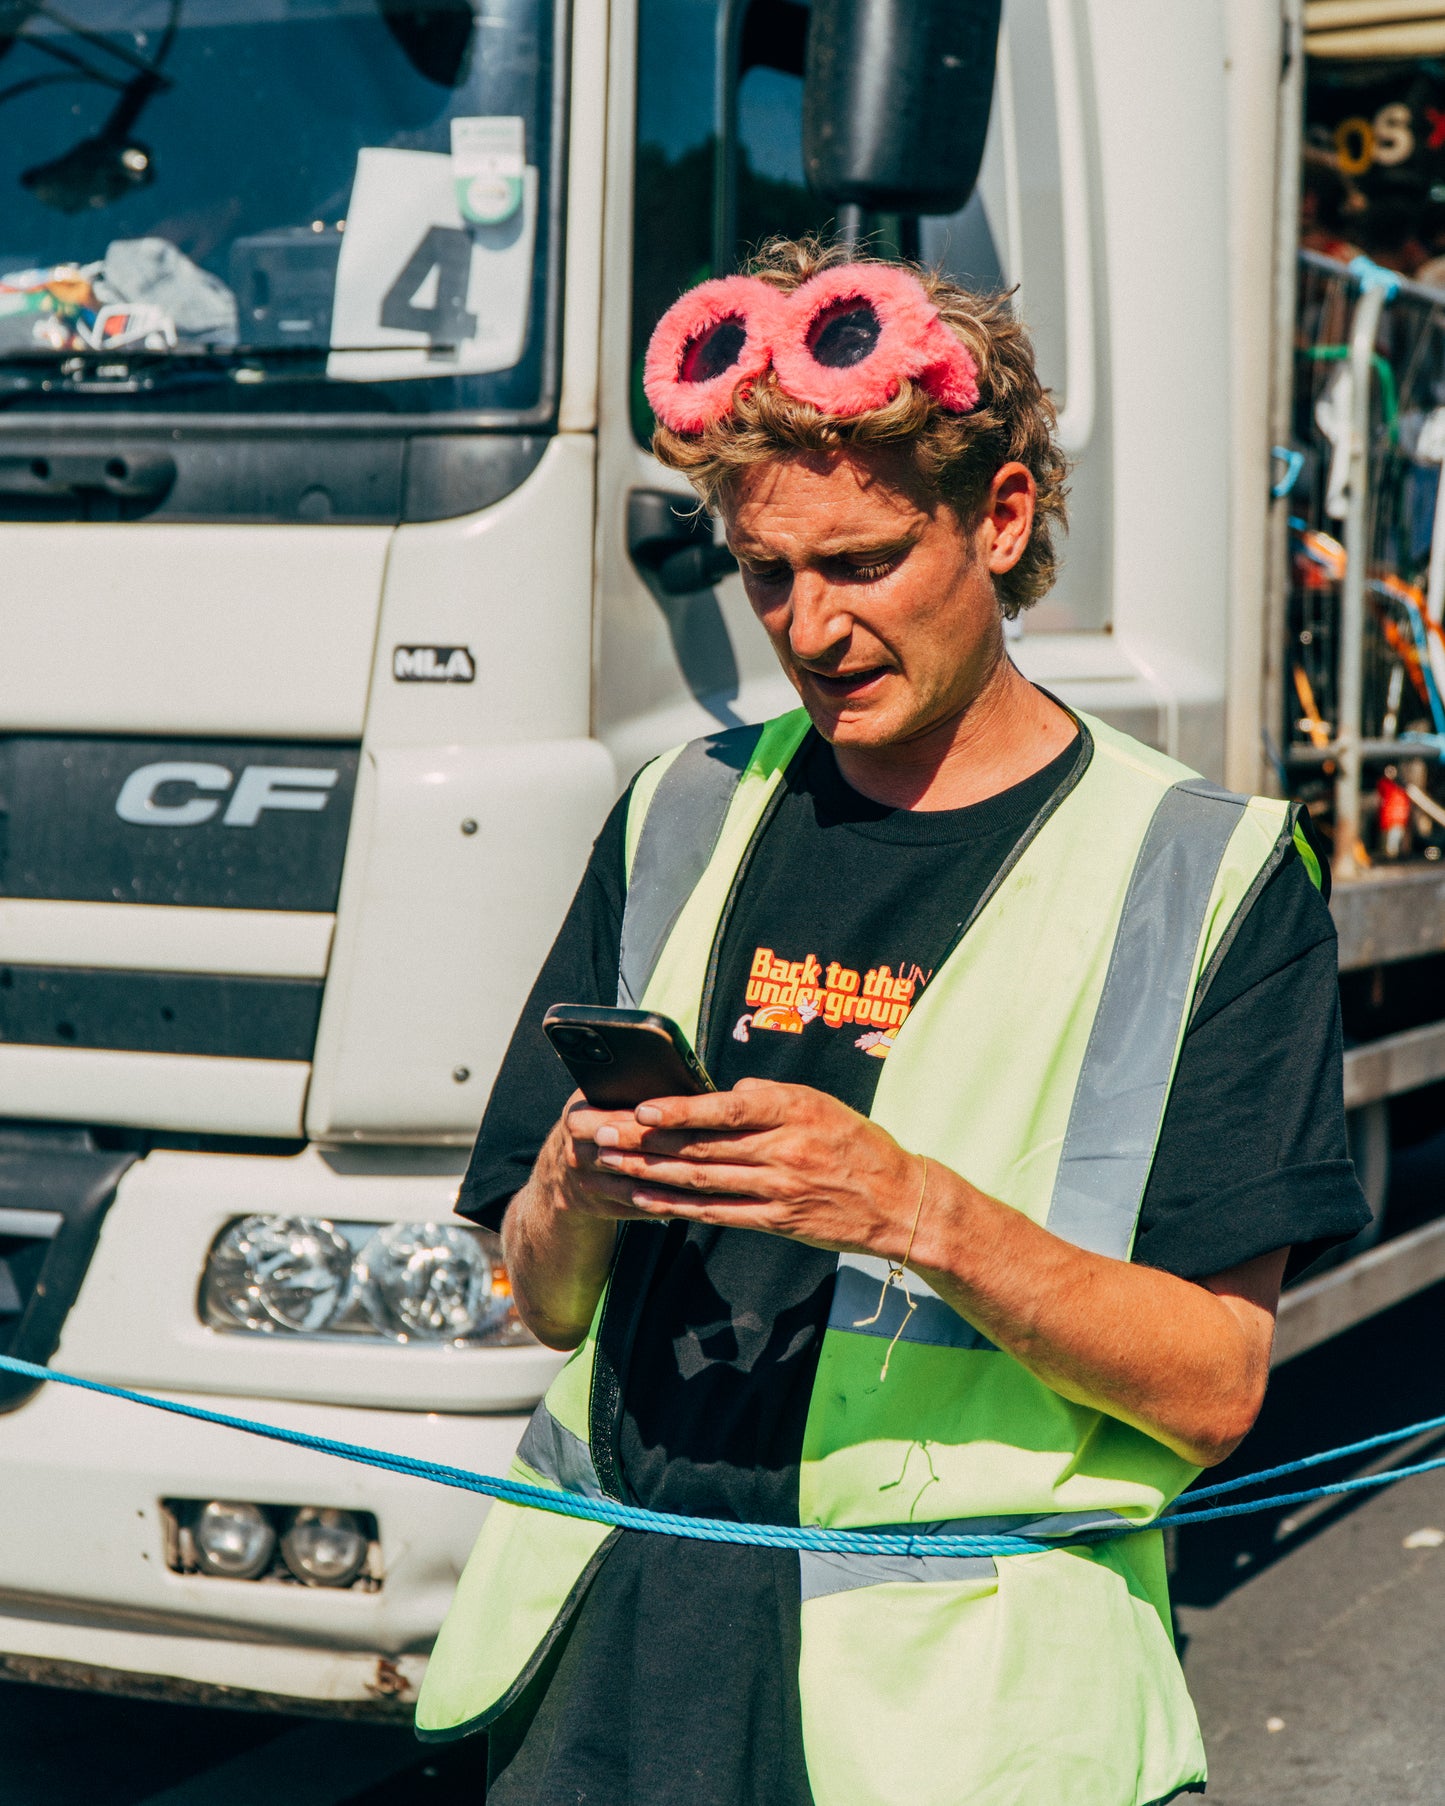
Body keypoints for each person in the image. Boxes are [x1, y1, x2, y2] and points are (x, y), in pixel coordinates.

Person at [415, 238, 1370, 1805]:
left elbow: (1211, 1385)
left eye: (860, 564)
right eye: (766, 572)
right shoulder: (675, 809)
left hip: (957, 1723)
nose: (807, 627)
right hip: (612, 1665)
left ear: (999, 517)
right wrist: (571, 1193)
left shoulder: (1202, 873)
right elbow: (540, 1303)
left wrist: (910, 1207)